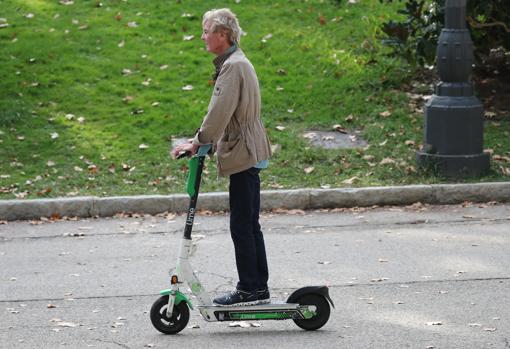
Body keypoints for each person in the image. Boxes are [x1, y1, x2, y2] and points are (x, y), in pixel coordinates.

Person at [172, 8, 272, 306]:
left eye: (206, 31)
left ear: (223, 35)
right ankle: (258, 288)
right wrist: (203, 140)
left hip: (243, 150)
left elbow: (218, 113)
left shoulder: (233, 67)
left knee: (242, 224)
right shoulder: (236, 63)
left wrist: (199, 141)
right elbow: (223, 113)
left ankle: (249, 289)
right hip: (248, 147)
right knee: (249, 223)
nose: (202, 37)